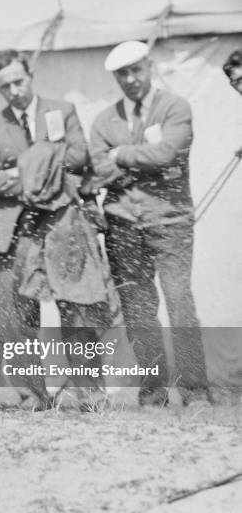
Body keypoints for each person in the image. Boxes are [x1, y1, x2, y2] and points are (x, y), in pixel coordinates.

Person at [0, 50, 112, 408]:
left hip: (60, 226)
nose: (15, 91)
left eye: (19, 81)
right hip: (16, 231)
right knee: (17, 313)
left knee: (76, 309)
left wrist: (22, 170)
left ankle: (88, 393)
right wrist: (45, 167)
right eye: (5, 86)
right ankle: (30, 395)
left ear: (30, 74)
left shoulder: (61, 110)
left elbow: (79, 156)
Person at [89, 40, 210, 406]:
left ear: (150, 66)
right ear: (115, 77)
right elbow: (98, 167)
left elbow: (168, 152)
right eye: (122, 74)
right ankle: (153, 389)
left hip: (170, 221)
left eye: (136, 70)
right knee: (138, 309)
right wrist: (142, 161)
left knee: (179, 302)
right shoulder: (103, 120)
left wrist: (121, 155)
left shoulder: (175, 106)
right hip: (123, 226)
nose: (131, 79)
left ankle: (195, 391)